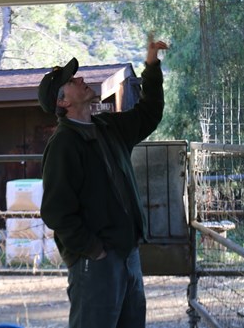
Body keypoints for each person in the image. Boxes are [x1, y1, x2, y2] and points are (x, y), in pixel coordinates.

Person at [38, 34, 168, 328]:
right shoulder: (64, 144)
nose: (80, 78)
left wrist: (151, 65)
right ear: (63, 100)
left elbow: (150, 113)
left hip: (126, 254)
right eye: (72, 80)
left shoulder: (108, 127)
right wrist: (93, 249)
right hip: (96, 261)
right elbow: (56, 211)